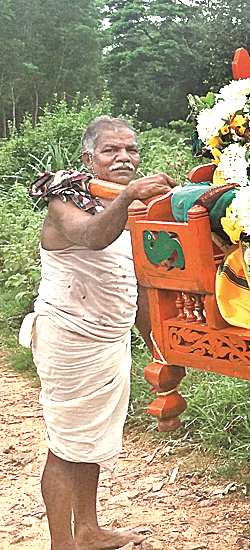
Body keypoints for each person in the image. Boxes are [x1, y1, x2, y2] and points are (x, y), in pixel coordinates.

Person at [19, 116, 176, 550]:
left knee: (90, 441)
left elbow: (138, 286)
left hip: (111, 339)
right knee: (65, 446)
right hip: (69, 339)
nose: (124, 157)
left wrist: (159, 348)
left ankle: (87, 530)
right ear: (89, 159)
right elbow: (92, 238)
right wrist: (128, 196)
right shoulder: (64, 203)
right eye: (111, 150)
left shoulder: (137, 211)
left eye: (131, 150)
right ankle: (62, 544)